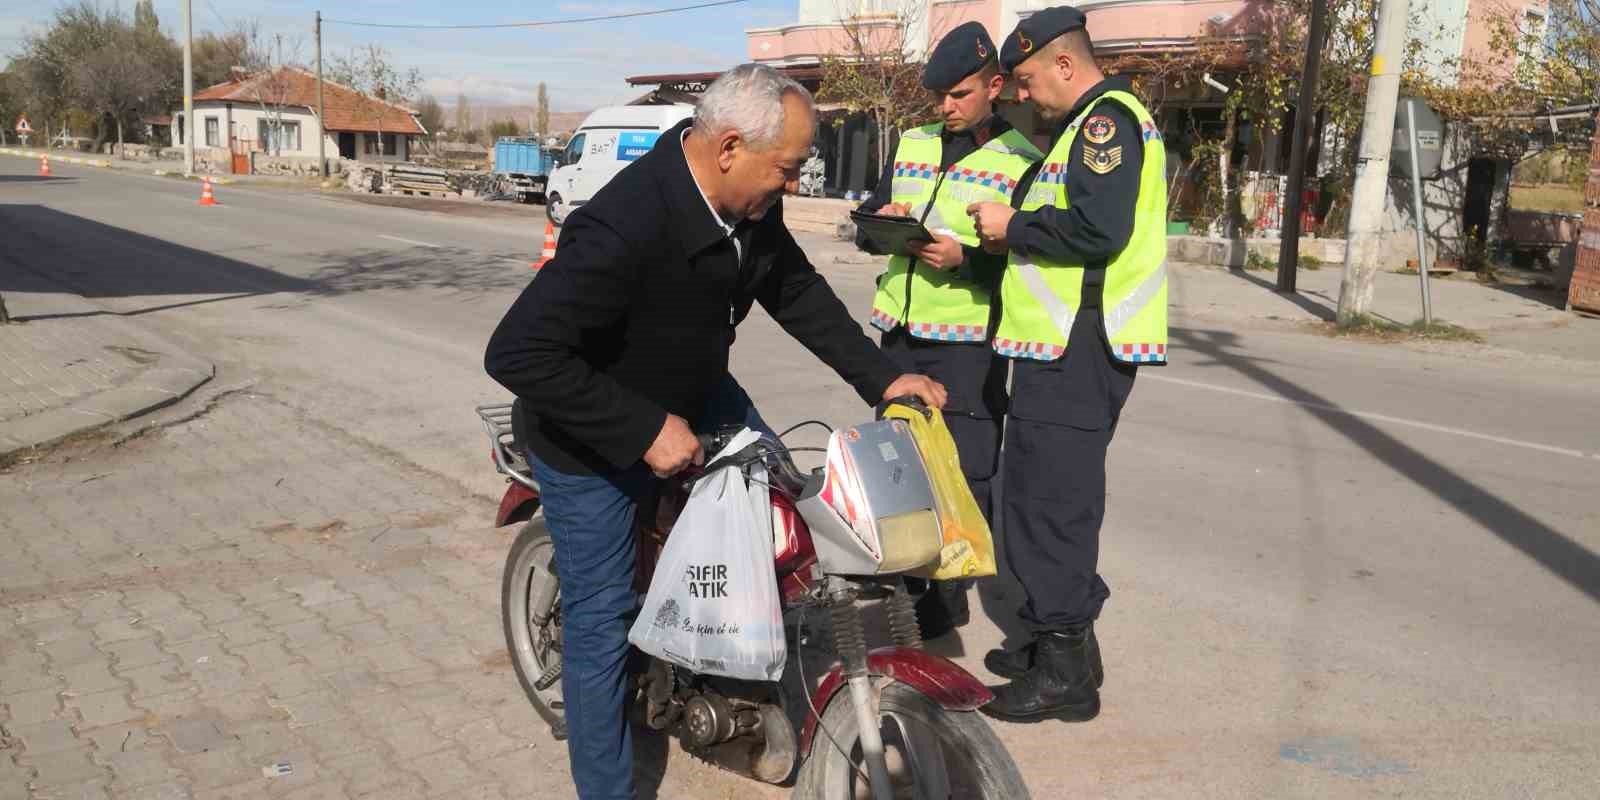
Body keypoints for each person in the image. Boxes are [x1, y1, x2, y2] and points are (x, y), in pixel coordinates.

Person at [483, 64, 946, 800]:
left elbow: (795, 289)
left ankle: (740, 674)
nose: (793, 185)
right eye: (788, 169)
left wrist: (881, 379)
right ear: (729, 147)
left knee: (786, 522)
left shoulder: (747, 208)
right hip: (588, 431)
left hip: (696, 394)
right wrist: (640, 428)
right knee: (603, 623)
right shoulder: (624, 224)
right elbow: (515, 352)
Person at [965, 6, 1169, 723]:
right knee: (1040, 494)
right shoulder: (1082, 128)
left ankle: (1064, 673)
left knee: (1050, 504)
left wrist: (1010, 226)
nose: (1021, 94)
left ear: (1062, 63)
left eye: (1024, 78)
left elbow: (1096, 226)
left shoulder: (1105, 121)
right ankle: (1066, 646)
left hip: (1081, 343)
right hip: (1063, 343)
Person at [854, 21, 1042, 640]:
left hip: (967, 345)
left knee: (964, 470)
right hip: (901, 335)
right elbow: (865, 224)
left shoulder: (1022, 160)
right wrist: (880, 221)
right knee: (901, 469)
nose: (946, 107)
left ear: (995, 86)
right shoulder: (911, 143)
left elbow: (1032, 259)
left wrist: (969, 259)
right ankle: (910, 585)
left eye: (959, 95)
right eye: (939, 95)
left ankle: (949, 591)